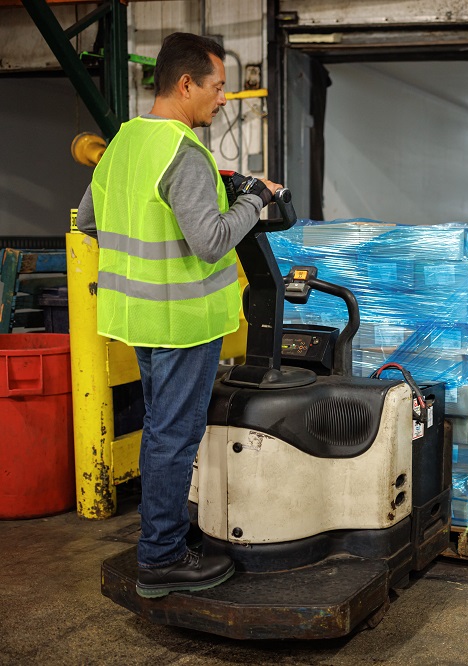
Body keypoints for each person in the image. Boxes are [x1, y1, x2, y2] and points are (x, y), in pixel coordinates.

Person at [76, 32, 282, 598]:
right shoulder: (184, 153)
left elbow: (91, 219)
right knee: (174, 435)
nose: (223, 99)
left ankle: (161, 539)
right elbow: (212, 241)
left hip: (134, 317)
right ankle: (162, 558)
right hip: (182, 320)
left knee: (159, 431)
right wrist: (255, 199)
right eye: (218, 87)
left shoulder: (121, 145)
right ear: (186, 83)